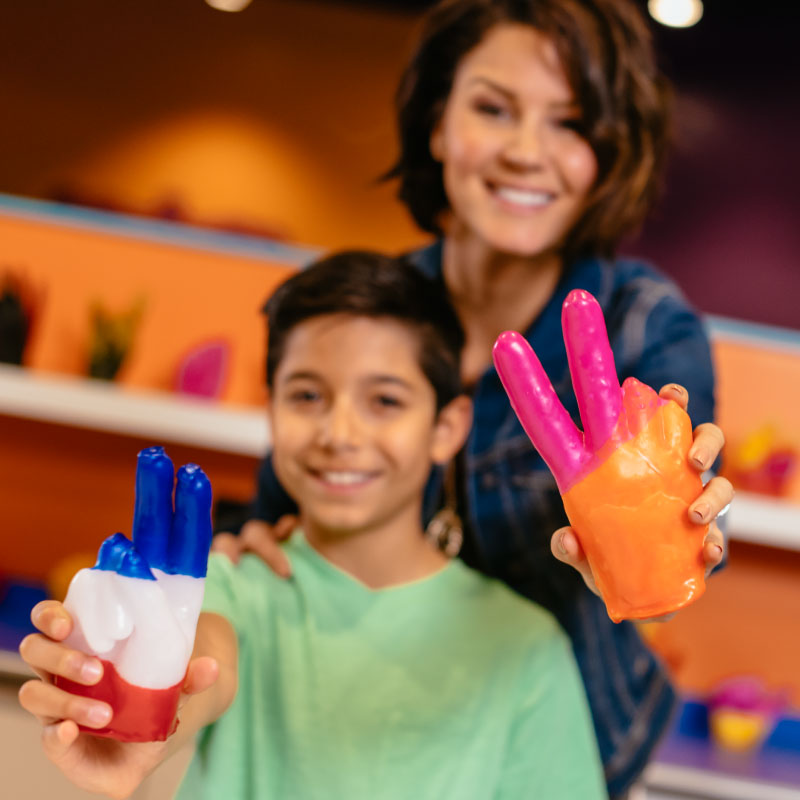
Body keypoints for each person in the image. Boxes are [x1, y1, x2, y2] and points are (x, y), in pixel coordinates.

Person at [213, 1, 735, 796]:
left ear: (608, 152)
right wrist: (252, 546)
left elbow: (669, 566)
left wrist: (665, 543)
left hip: (552, 741)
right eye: (494, 109)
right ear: (436, 123)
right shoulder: (373, 310)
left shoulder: (643, 329)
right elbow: (291, 517)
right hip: (369, 735)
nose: (528, 152)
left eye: (570, 123)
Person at [18, 251, 608, 800]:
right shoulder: (233, 584)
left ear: (447, 428)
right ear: (269, 406)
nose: (339, 434)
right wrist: (142, 716)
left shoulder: (525, 645)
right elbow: (204, 663)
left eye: (385, 401)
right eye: (306, 396)